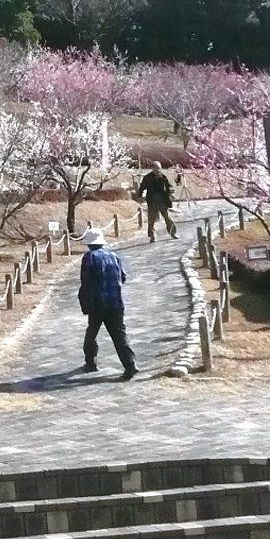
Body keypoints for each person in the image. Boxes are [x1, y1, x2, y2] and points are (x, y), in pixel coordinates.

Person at [77, 227, 137, 381]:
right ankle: (130, 364)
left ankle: (91, 363)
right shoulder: (114, 256)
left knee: (91, 334)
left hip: (97, 304)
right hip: (116, 303)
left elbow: (85, 282)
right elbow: (123, 278)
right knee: (119, 335)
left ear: (89, 244)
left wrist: (84, 302)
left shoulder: (89, 257)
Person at [136, 161, 178, 242]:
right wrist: (140, 196)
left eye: (159, 168)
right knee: (151, 219)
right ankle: (152, 235)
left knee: (167, 217)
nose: (158, 170)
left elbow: (169, 186)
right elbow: (142, 188)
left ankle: (173, 232)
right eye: (156, 168)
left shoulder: (163, 177)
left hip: (162, 200)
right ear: (153, 169)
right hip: (152, 201)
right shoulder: (148, 178)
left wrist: (171, 191)